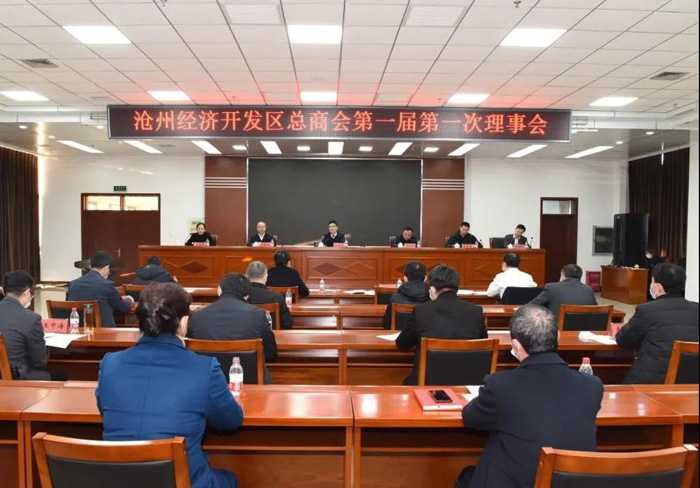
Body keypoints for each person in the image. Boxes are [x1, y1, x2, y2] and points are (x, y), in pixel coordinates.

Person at [96, 282, 244, 488]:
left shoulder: (110, 364)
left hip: (118, 480)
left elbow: (104, 409)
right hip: (183, 481)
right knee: (229, 479)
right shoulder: (203, 368)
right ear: (183, 322)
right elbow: (231, 420)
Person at [455, 305, 603, 488]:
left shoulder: (500, 385)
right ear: (558, 337)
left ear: (516, 345)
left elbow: (470, 418)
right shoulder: (592, 385)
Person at [395, 264, 487, 385]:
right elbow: (483, 344)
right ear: (457, 288)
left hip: (427, 384)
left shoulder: (421, 311)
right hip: (468, 383)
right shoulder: (476, 311)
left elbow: (402, 344)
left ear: (432, 289)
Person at [615, 263, 699, 384]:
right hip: (691, 383)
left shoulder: (647, 310)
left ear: (659, 287)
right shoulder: (696, 309)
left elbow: (624, 340)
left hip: (651, 382)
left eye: (652, 281)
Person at [187, 273, 278, 383]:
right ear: (247, 296)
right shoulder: (258, 315)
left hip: (206, 382)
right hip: (249, 382)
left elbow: (188, 352)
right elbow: (270, 353)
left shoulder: (197, 316)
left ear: (219, 290)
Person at [0, 270, 65, 381]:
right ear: (27, 292)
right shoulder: (31, 319)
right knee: (61, 377)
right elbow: (40, 362)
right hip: (19, 378)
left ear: (3, 291)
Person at [66, 251, 133, 328]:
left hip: (78, 331)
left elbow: (68, 306)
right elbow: (123, 308)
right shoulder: (107, 285)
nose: (109, 272)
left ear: (91, 266)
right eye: (109, 269)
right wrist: (129, 299)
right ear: (106, 267)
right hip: (103, 333)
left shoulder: (73, 284)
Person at [528, 264, 597, 317]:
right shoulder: (589, 289)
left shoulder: (552, 287)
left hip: (557, 329)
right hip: (584, 329)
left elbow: (532, 305)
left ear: (563, 276)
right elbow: (596, 310)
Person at [382, 261, 430, 329]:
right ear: (425, 278)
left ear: (405, 278)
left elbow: (386, 324)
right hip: (426, 335)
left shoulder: (395, 298)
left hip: (400, 334)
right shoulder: (433, 299)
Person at [245, 261, 292, 329]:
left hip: (247, 334)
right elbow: (287, 323)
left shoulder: (240, 296)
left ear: (246, 277)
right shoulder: (276, 297)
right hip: (273, 334)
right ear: (266, 277)